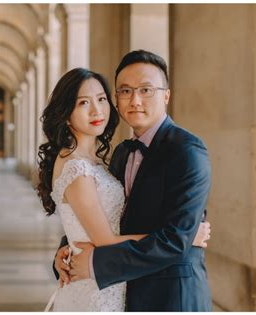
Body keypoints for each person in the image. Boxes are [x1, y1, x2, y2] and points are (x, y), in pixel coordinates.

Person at [38, 67, 210, 311]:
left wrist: (183, 235)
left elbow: (99, 218)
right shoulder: (95, 161)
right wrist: (187, 236)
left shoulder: (187, 150)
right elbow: (103, 236)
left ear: (166, 95)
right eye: (84, 103)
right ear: (66, 113)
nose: (97, 110)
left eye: (101, 100)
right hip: (100, 291)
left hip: (166, 293)